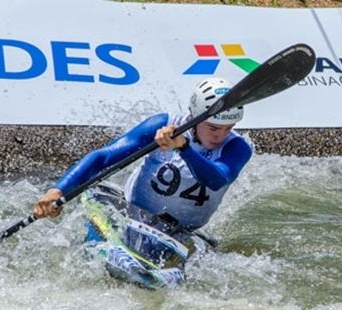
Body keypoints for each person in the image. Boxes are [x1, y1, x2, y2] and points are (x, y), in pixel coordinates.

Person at [34, 77, 253, 284]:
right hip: (132, 213)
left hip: (181, 231)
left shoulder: (238, 148)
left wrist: (183, 147)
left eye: (228, 128)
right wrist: (58, 190)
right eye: (214, 127)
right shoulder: (162, 124)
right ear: (195, 117)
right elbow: (104, 157)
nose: (220, 135)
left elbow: (216, 179)